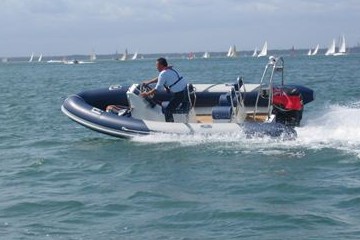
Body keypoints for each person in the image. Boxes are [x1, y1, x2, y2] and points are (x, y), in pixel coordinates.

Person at [141, 57, 188, 122]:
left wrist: (147, 94)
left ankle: (171, 127)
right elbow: (160, 79)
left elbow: (157, 89)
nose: (156, 67)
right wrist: (149, 82)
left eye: (157, 65)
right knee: (174, 105)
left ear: (161, 65)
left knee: (168, 110)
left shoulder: (163, 73)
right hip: (185, 90)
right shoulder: (169, 70)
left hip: (180, 93)